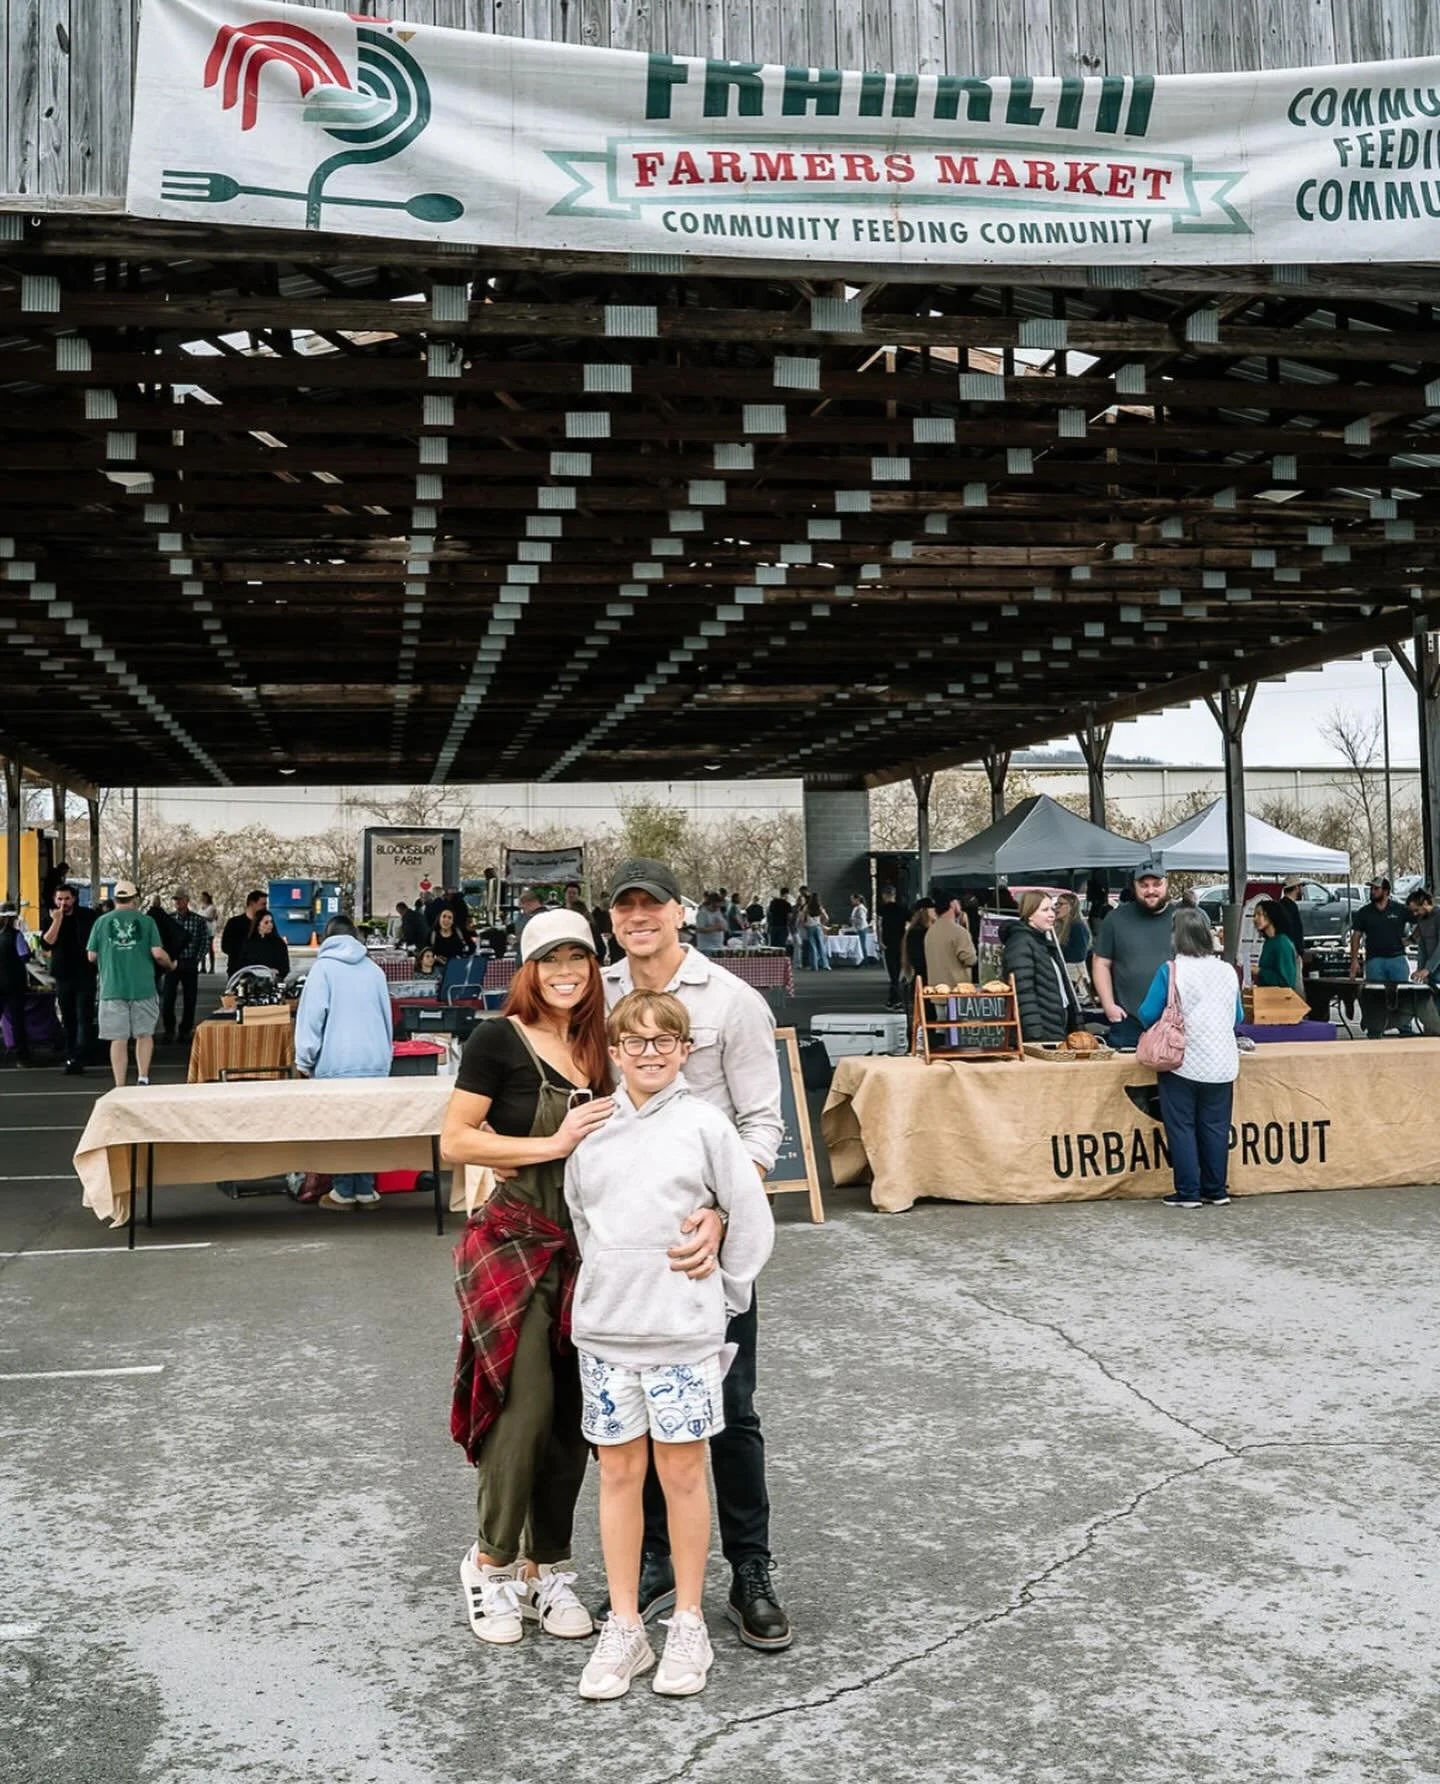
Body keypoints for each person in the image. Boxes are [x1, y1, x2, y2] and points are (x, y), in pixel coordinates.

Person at [442, 911, 723, 1649]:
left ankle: (550, 1567)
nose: (566, 972)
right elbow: (454, 1139)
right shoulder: (497, 1040)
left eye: (578, 958)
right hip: (510, 1241)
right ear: (527, 969)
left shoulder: (602, 1046)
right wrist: (545, 1142)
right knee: (524, 1406)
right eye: (550, 960)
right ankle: (492, 1563)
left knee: (575, 1422)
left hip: (589, 1253)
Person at [600, 859, 791, 1651]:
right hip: (623, 1243)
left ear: (682, 913)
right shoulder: (599, 994)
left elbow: (764, 1124)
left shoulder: (733, 1000)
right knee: (635, 1415)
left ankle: (750, 1570)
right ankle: (653, 1560)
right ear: (612, 919)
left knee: (730, 1413)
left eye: (653, 905)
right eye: (625, 907)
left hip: (704, 1247)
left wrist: (722, 1211)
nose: (639, 917)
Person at [569, 988, 774, 1701]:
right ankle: (625, 1625)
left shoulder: (707, 1125)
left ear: (686, 1051)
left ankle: (688, 1620)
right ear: (614, 1052)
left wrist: (718, 1299)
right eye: (635, 1042)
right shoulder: (588, 1129)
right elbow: (581, 1221)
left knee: (684, 1473)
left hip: (682, 1336)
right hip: (606, 1334)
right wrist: (606, 1283)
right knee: (620, 1474)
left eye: (665, 1041)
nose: (649, 1053)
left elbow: (748, 1219)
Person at [1138, 908, 1245, 1208]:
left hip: (1182, 1062)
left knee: (1182, 1126)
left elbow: (1147, 1013)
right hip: (1222, 1063)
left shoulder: (1171, 970)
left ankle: (1187, 1192)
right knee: (1215, 1126)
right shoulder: (1227, 970)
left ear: (1177, 936)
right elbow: (1238, 1016)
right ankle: (1216, 1189)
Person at [293, 915, 393, 1209]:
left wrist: (304, 1059)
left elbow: (312, 1018)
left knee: (340, 1129)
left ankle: (343, 1190)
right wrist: (384, 1059)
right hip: (374, 1061)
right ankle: (366, 1188)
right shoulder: (375, 971)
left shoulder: (323, 969)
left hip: (336, 1062)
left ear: (326, 938)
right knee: (367, 1128)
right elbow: (388, 1018)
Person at [1092, 862, 1206, 1049]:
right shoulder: (1115, 919)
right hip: (1129, 1020)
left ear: (1167, 884)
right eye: (1144, 885)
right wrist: (1108, 1005)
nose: (1150, 890)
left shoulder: (1185, 919)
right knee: (1125, 1077)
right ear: (1134, 886)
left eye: (1156, 884)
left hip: (1179, 1021)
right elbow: (1101, 963)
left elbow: (1201, 965)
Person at [87, 880, 173, 1088]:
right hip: (143, 987)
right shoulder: (147, 922)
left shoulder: (101, 922)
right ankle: (143, 1077)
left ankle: (120, 1085)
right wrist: (170, 964)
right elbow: (158, 954)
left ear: (115, 899)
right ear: (135, 899)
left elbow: (91, 956)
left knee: (118, 1039)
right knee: (144, 1034)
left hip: (112, 988)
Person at [1003, 892, 1083, 1042]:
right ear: (1030, 914)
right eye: (1045, 910)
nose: (1052, 914)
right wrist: (1036, 1035)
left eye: (1052, 909)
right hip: (1041, 1032)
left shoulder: (1043, 942)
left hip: (1055, 1025)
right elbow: (1023, 993)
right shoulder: (1020, 943)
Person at [41, 884, 96, 1073]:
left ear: (74, 899)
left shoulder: (87, 916)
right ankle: (71, 1054)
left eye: (66, 899)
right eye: (59, 899)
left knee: (83, 1015)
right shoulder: (51, 918)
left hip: (85, 974)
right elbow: (47, 944)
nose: (63, 903)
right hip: (63, 975)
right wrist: (57, 921)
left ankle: (80, 1055)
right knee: (68, 1017)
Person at [1349, 877, 1412, 1038]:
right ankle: (1375, 1030)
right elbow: (1356, 936)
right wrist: (1354, 960)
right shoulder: (1364, 912)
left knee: (1402, 995)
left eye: (1376, 889)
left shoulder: (1399, 909)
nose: (1373, 891)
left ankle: (1405, 1029)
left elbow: (1421, 919)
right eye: (1372, 889)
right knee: (1375, 997)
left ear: (1386, 892)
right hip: (1374, 960)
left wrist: (1412, 939)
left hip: (1397, 958)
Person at [162, 890, 210, 1046]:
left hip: (190, 962)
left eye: (180, 899)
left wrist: (197, 959)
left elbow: (205, 941)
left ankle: (185, 1030)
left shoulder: (198, 921)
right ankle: (169, 1030)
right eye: (175, 899)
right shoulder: (168, 919)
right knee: (168, 999)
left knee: (190, 999)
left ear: (187, 900)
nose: (177, 902)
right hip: (172, 963)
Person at [0, 902, 35, 1069]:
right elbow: (25, 957)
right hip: (14, 984)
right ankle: (22, 1056)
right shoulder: (16, 935)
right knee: (17, 1021)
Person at [924, 891, 977, 987]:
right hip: (956, 993)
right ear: (952, 904)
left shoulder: (930, 932)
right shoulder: (959, 932)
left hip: (937, 992)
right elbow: (970, 960)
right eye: (958, 902)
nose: (960, 905)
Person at [1253, 899, 1302, 993]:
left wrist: (1260, 971)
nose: (1255, 919)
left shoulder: (1281, 943)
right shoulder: (1269, 942)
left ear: (1271, 915)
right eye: (1254, 915)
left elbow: (1286, 982)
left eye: (1259, 914)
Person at [222, 890, 267, 981]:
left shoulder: (266, 923)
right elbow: (225, 946)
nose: (265, 907)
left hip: (261, 972)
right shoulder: (234, 923)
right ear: (252, 903)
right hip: (237, 971)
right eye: (262, 904)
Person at [877, 887, 908, 1010]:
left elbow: (879, 927)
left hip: (888, 944)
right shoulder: (902, 909)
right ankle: (891, 1000)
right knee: (898, 972)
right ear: (894, 895)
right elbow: (908, 925)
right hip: (901, 944)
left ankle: (897, 1001)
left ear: (885, 895)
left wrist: (879, 941)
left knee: (893, 974)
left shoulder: (882, 910)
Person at [241, 909, 291, 979]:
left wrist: (277, 972)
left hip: (272, 982)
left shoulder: (279, 943)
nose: (270, 925)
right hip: (252, 982)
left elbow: (285, 968)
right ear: (258, 925)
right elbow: (242, 966)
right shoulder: (248, 943)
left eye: (271, 922)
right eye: (266, 922)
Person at [903, 898, 935, 996]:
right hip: (924, 980)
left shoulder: (913, 931)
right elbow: (918, 958)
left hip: (923, 979)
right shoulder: (916, 933)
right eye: (932, 908)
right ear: (924, 911)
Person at [1055, 892, 1091, 967]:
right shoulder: (1059, 925)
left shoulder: (1077, 927)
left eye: (1061, 904)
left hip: (1073, 971)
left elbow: (1079, 955)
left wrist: (1056, 949)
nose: (1057, 907)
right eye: (1056, 904)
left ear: (1071, 907)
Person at [1274, 881, 1308, 955]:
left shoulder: (1279, 905)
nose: (1302, 889)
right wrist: (1299, 949)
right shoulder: (1291, 906)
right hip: (1290, 949)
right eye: (1301, 886)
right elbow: (1295, 930)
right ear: (1296, 887)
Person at [800, 891, 829, 972]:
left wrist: (804, 925)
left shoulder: (806, 907)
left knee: (812, 947)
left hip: (809, 927)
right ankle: (825, 964)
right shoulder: (820, 907)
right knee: (821, 946)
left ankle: (814, 966)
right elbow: (826, 917)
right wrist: (821, 923)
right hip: (818, 927)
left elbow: (802, 919)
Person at [197, 891, 218, 973]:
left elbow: (212, 918)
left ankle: (212, 968)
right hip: (202, 930)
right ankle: (203, 967)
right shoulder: (201, 907)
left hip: (209, 930)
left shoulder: (212, 907)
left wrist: (202, 918)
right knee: (202, 948)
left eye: (203, 897)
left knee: (209, 948)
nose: (202, 898)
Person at [848, 892, 872, 962]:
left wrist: (853, 919)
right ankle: (863, 959)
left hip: (861, 928)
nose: (851, 901)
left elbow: (861, 919)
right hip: (859, 928)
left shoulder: (860, 908)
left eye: (852, 899)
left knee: (862, 945)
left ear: (857, 899)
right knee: (861, 944)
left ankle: (864, 960)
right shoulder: (857, 908)